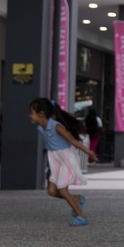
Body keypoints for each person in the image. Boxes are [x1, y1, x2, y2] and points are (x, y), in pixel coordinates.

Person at [29, 97, 98, 226]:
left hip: (66, 158)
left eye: (31, 113)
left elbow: (72, 141)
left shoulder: (56, 126)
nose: (30, 116)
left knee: (62, 190)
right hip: (55, 159)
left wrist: (89, 152)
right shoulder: (40, 128)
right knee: (51, 191)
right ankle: (77, 198)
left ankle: (81, 215)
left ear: (41, 114)